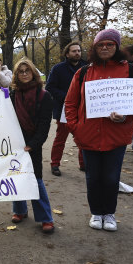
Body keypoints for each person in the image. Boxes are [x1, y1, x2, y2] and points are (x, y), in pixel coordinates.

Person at [64, 29, 133, 232]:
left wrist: (126, 117)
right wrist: (76, 128)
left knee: (111, 177)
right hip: (89, 136)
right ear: (94, 48)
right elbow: (70, 103)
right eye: (100, 45)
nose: (105, 48)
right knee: (93, 178)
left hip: (115, 137)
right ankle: (96, 212)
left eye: (109, 44)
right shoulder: (83, 72)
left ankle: (109, 213)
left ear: (117, 47)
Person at [9, 58, 55, 234]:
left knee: (35, 180)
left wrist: (32, 145)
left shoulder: (44, 96)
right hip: (14, 142)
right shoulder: (12, 95)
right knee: (15, 176)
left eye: (27, 70)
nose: (24, 74)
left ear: (33, 73)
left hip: (32, 143)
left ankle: (45, 218)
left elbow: (44, 126)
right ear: (16, 75)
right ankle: (19, 210)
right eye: (20, 71)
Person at [45, 41, 87, 176]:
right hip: (64, 109)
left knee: (83, 137)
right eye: (74, 51)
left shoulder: (87, 67)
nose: (77, 53)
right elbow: (50, 88)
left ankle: (84, 164)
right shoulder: (58, 69)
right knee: (60, 138)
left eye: (79, 51)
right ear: (67, 53)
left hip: (83, 108)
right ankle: (55, 164)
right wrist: (69, 97)